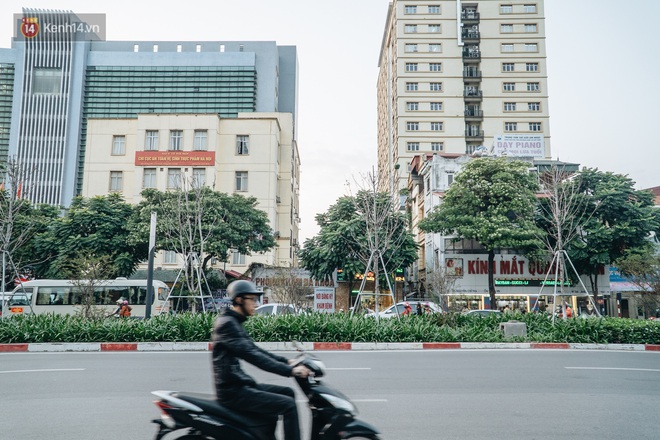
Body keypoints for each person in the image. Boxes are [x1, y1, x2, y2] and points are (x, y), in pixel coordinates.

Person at [212, 280, 311, 440]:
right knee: (288, 406)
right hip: (232, 391)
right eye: (252, 299)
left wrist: (286, 362)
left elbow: (256, 350)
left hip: (240, 384)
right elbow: (253, 356)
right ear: (239, 300)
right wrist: (290, 371)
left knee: (288, 393)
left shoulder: (234, 322)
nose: (256, 304)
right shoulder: (227, 324)